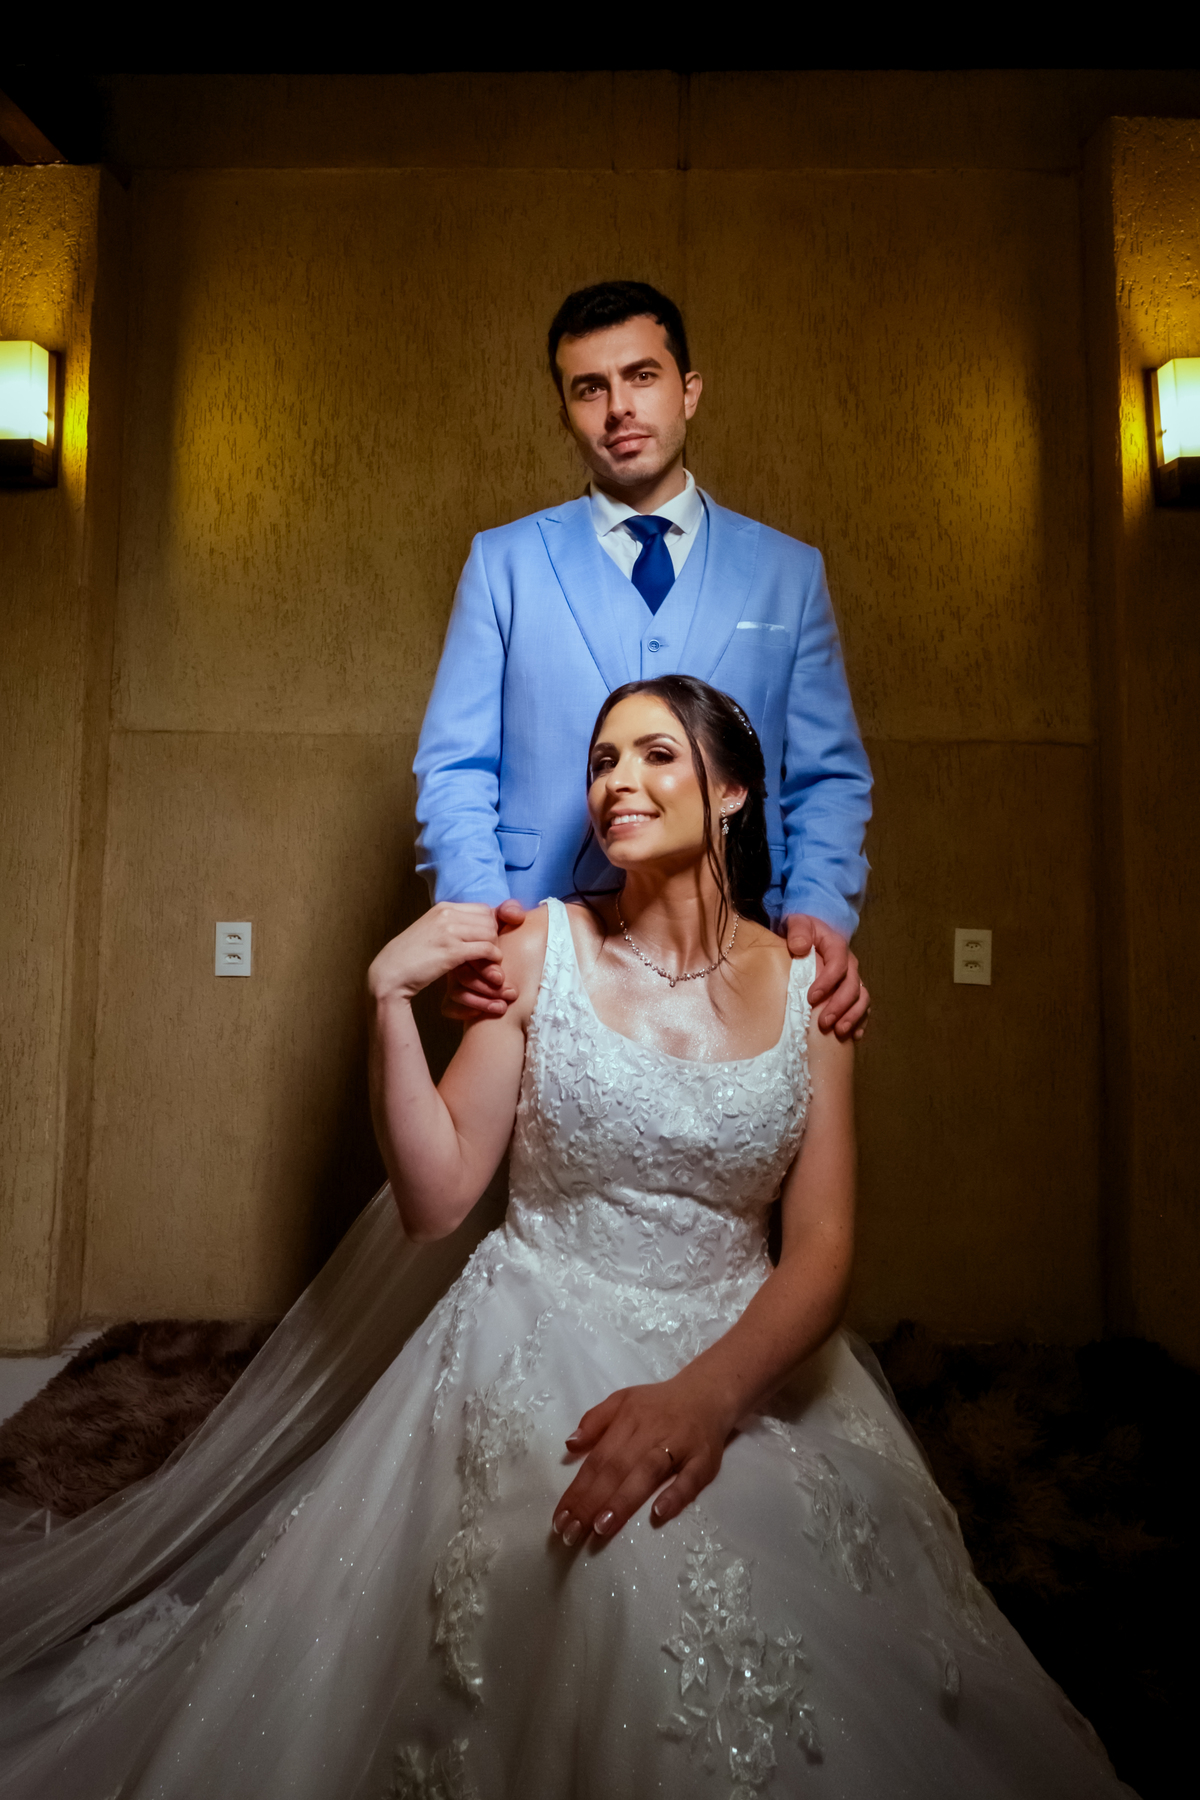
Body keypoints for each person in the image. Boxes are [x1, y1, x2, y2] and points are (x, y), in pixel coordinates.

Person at [0, 677, 1133, 1800]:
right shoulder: (544, 947)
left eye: (655, 754)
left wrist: (703, 1400)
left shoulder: (813, 992)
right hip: (538, 1327)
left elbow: (823, 1250)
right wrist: (385, 1002)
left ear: (732, 791)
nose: (616, 782)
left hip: (744, 1352)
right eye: (601, 761)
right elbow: (437, 1197)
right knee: (614, 1573)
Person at [414, 280, 874, 1041]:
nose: (618, 408)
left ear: (688, 391)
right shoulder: (503, 564)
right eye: (589, 388)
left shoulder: (789, 573)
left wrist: (819, 907)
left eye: (642, 376)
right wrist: (477, 919)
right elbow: (454, 766)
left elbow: (828, 776)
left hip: (738, 942)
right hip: (535, 945)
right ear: (564, 412)